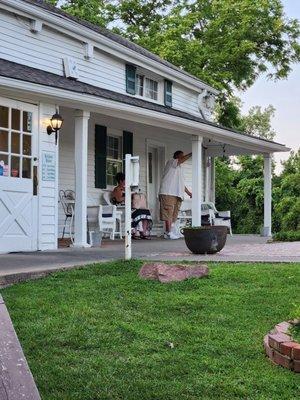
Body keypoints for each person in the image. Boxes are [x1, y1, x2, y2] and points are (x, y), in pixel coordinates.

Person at [159, 150, 192, 239]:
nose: (183, 158)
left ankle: (172, 231)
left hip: (176, 194)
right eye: (181, 156)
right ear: (176, 157)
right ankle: (168, 233)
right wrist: (192, 153)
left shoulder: (180, 168)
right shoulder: (171, 162)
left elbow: (181, 184)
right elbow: (181, 160)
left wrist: (189, 193)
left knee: (174, 213)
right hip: (168, 192)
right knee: (168, 212)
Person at [111, 172, 152, 239]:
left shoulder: (126, 189)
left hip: (131, 206)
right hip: (122, 207)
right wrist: (129, 195)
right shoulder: (117, 189)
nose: (126, 182)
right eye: (125, 180)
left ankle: (144, 232)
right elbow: (118, 199)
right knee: (137, 212)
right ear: (121, 181)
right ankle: (135, 232)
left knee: (146, 211)